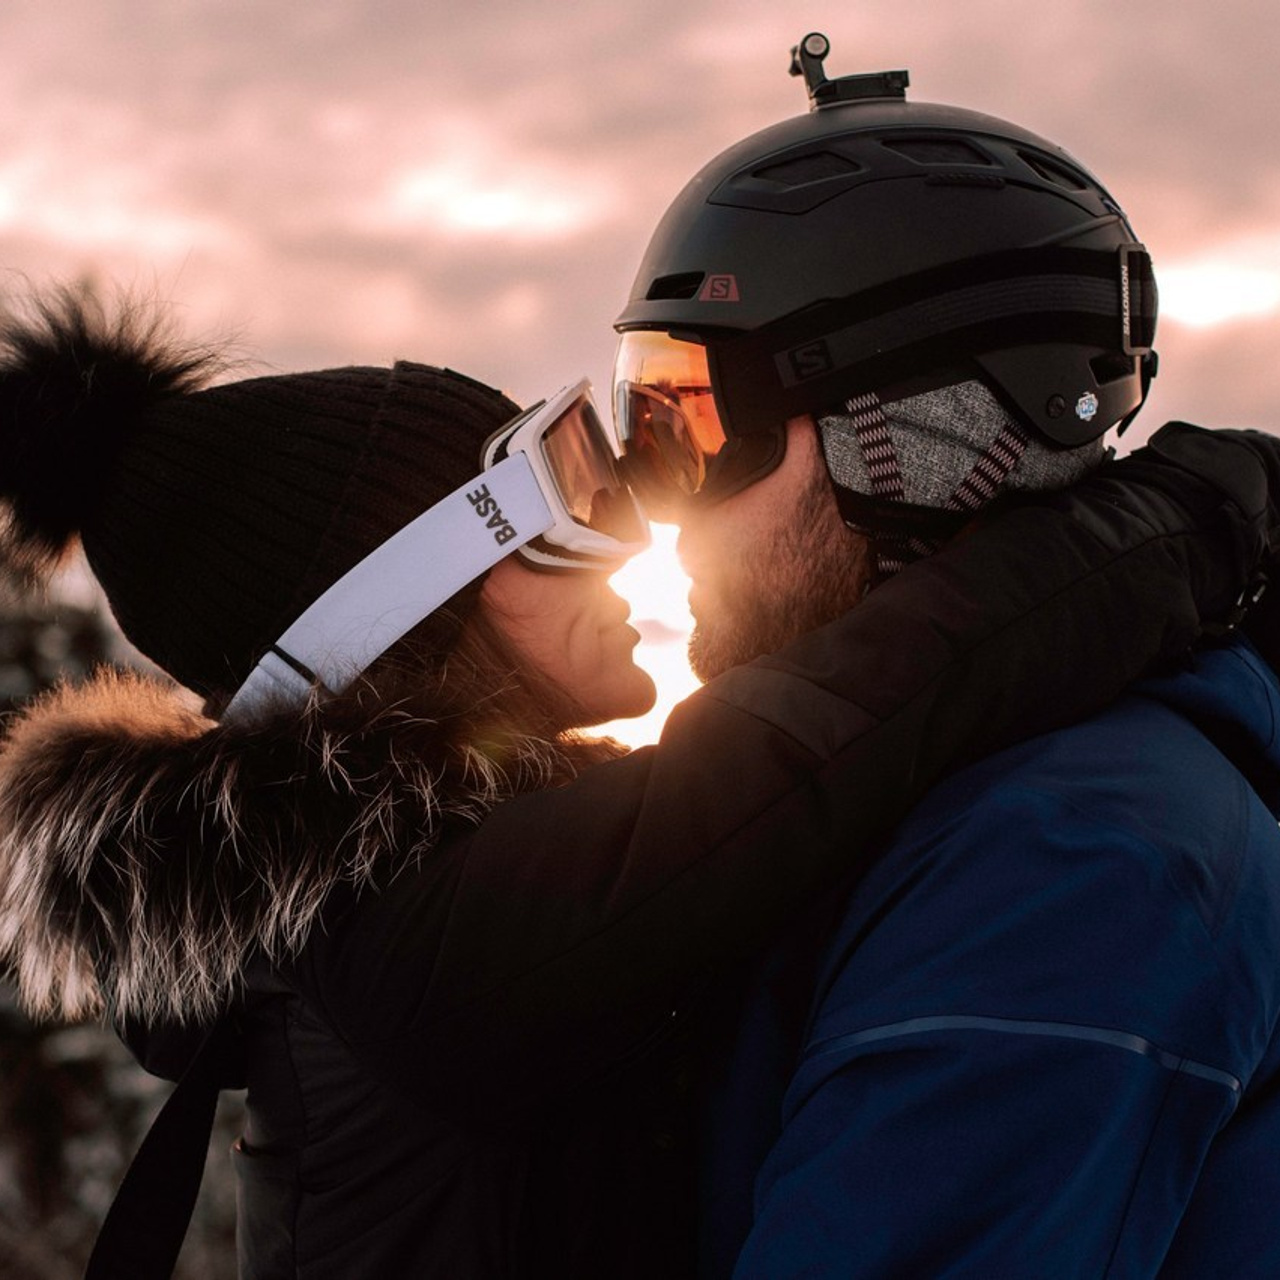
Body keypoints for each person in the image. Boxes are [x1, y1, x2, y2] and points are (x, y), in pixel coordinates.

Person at [0, 281, 1269, 1280]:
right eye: (562, 497)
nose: (632, 540)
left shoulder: (435, 866)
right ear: (402, 605)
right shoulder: (411, 920)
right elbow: (848, 722)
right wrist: (1166, 526)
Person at [609, 32, 1280, 1277]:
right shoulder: (933, 797)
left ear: (905, 443)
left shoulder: (1072, 862)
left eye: (697, 424)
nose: (665, 505)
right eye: (641, 412)